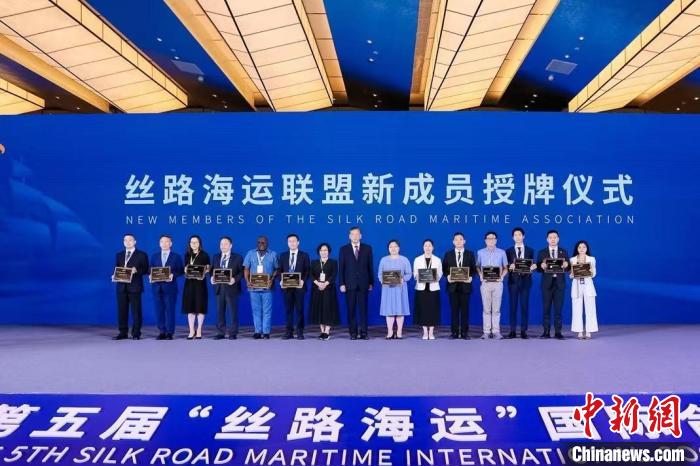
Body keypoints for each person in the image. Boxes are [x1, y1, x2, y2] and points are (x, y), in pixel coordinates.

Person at [338, 226, 374, 340]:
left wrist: (371, 282)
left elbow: (370, 266)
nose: (355, 236)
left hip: (364, 283)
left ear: (360, 236)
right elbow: (341, 268)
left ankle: (364, 332)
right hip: (349, 284)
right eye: (352, 234)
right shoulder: (344, 249)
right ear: (349, 236)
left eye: (357, 234)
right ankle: (353, 333)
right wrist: (341, 283)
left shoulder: (367, 248)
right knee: (351, 309)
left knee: (363, 310)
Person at [112, 233, 149, 340]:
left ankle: (136, 333)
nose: (127, 242)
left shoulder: (142, 255)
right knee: (122, 311)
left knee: (136, 311)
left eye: (130, 240)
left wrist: (137, 270)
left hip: (135, 286)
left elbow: (146, 269)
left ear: (135, 242)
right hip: (121, 287)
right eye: (125, 240)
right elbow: (117, 268)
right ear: (123, 242)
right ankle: (122, 332)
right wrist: (114, 275)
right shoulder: (119, 255)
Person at [442, 232, 476, 339]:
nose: (458, 241)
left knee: (465, 311)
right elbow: (444, 269)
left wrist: (471, 277)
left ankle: (465, 332)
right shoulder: (448, 254)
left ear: (464, 241)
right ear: (453, 242)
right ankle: (454, 332)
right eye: (456, 239)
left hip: (466, 286)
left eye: (460, 239)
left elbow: (474, 269)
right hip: (452, 287)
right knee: (454, 311)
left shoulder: (470, 254)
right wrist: (447, 276)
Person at [243, 236, 278, 339]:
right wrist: (247, 281)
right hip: (253, 288)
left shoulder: (273, 254)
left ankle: (266, 332)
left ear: (267, 243)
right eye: (259, 242)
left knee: (267, 310)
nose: (261, 244)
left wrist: (272, 280)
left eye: (263, 242)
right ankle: (257, 331)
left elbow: (277, 269)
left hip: (267, 288)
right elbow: (246, 268)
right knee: (256, 310)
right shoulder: (250, 253)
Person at [536, 229, 570, 339]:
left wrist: (567, 265)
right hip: (546, 284)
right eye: (550, 237)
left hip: (559, 284)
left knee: (558, 309)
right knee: (546, 309)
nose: (553, 239)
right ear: (547, 239)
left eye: (555, 237)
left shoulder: (564, 252)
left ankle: (558, 332)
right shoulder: (542, 252)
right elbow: (538, 268)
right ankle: (546, 332)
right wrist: (541, 266)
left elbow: (568, 268)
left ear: (558, 239)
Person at [149, 234, 184, 340]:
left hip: (170, 288)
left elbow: (181, 271)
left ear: (171, 243)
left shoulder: (176, 257)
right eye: (162, 242)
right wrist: (150, 275)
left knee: (170, 310)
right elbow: (150, 269)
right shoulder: (154, 256)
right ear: (159, 244)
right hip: (157, 287)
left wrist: (173, 275)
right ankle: (162, 331)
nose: (164, 244)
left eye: (167, 241)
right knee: (159, 310)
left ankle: (170, 332)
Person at [505, 227, 536, 339]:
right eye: (515, 235)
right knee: (512, 306)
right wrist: (510, 267)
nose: (518, 237)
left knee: (524, 306)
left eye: (519, 235)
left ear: (523, 236)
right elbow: (505, 266)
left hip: (526, 281)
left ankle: (523, 331)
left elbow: (533, 264)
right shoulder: (508, 251)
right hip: (513, 282)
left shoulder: (530, 250)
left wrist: (533, 267)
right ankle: (512, 331)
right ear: (513, 237)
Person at [476, 231, 508, 339]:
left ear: (496, 240)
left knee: (496, 309)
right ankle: (486, 332)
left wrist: (502, 276)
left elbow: (506, 267)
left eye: (493, 238)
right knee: (486, 309)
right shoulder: (480, 252)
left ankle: (496, 331)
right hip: (485, 283)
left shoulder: (502, 252)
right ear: (485, 240)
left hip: (498, 284)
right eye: (489, 239)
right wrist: (480, 275)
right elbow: (477, 266)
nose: (491, 240)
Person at [378, 240, 412, 339]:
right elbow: (380, 274)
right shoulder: (383, 260)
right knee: (389, 310)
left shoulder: (404, 259)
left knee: (400, 310)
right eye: (391, 247)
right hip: (388, 289)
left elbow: (409, 274)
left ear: (399, 248)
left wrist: (403, 279)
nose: (393, 248)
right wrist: (382, 280)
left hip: (400, 289)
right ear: (388, 249)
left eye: (395, 246)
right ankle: (390, 332)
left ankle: (399, 332)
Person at [211, 236, 243, 340]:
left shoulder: (237, 257)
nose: (223, 246)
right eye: (221, 244)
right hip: (219, 288)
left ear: (231, 245)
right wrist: (212, 278)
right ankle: (220, 332)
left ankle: (233, 333)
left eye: (225, 244)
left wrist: (234, 279)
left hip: (232, 288)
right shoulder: (215, 257)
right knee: (220, 312)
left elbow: (241, 273)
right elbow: (212, 271)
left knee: (233, 312)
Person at [279, 234, 310, 340]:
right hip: (287, 287)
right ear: (287, 243)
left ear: (298, 242)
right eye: (290, 241)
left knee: (300, 310)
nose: (292, 243)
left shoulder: (304, 255)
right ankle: (289, 332)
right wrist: (281, 281)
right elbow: (279, 270)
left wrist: (303, 281)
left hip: (299, 287)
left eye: (294, 241)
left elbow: (307, 270)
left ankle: (300, 332)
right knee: (288, 310)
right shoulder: (283, 256)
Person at [413, 239, 443, 340]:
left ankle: (432, 332)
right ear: (423, 247)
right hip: (421, 288)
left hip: (433, 288)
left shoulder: (437, 260)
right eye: (425, 246)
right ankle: (425, 332)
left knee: (433, 310)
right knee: (423, 310)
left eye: (429, 246)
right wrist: (418, 276)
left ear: (433, 247)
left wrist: (436, 277)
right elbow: (415, 273)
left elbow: (440, 273)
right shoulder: (417, 259)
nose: (428, 248)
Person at [182, 235, 210, 340]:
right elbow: (185, 268)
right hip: (189, 284)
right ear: (189, 244)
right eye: (192, 242)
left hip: (200, 284)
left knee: (200, 307)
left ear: (199, 243)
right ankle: (191, 331)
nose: (194, 244)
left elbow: (208, 268)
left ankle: (199, 330)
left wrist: (205, 271)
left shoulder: (204, 255)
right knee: (190, 308)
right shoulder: (187, 255)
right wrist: (185, 269)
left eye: (196, 242)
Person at [310, 243, 340, 340]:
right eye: (321, 250)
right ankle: (322, 331)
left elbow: (334, 275)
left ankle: (327, 331)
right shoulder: (313, 262)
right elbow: (311, 275)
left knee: (328, 309)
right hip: (317, 289)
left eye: (325, 250)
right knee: (319, 309)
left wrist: (325, 284)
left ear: (329, 252)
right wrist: (318, 284)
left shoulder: (333, 262)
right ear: (319, 252)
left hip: (329, 289)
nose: (323, 252)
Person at [570, 240, 598, 339]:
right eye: (579, 247)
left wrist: (590, 271)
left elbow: (594, 274)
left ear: (587, 248)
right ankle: (579, 331)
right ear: (577, 249)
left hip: (588, 284)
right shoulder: (572, 259)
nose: (582, 249)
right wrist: (572, 275)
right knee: (576, 308)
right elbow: (570, 274)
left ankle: (589, 330)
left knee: (590, 308)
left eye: (584, 247)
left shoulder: (591, 259)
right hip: (577, 285)